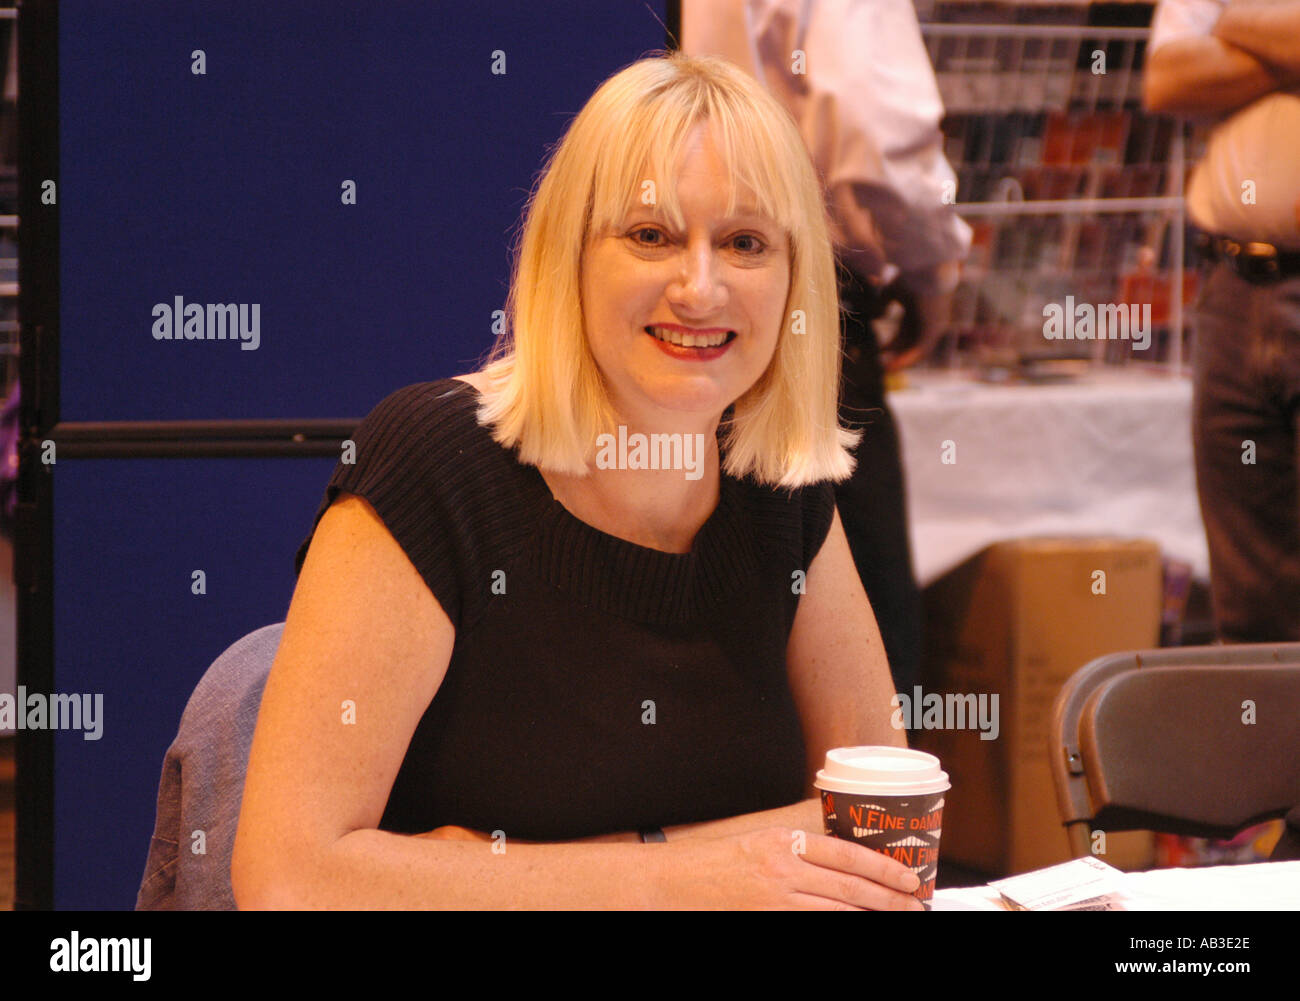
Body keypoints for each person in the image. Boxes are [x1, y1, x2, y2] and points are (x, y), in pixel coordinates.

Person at [231, 50, 923, 910]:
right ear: (571, 256)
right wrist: (687, 877)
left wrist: (522, 868)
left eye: (745, 242)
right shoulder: (435, 462)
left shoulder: (782, 487)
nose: (699, 286)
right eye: (651, 235)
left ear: (794, 282)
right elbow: (288, 877)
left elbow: (883, 835)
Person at [682, 0, 971, 693]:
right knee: (862, 644)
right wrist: (933, 267)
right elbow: (875, 129)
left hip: (699, 286)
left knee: (724, 620)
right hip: (801, 287)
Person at [1144, 1, 1300, 643]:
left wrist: (1233, 18)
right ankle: (1259, 744)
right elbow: (1167, 80)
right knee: (1250, 607)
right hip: (1235, 288)